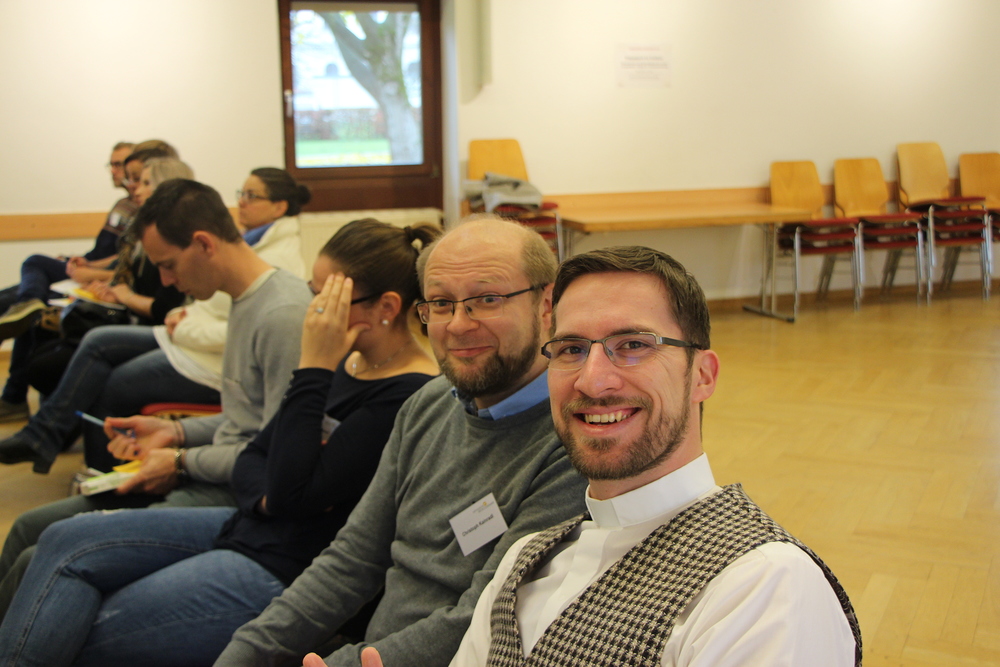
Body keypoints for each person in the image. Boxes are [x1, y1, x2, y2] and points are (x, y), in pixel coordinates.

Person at [0, 219, 442, 666]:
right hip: (248, 524)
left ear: (386, 307)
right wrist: (270, 497)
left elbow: (289, 492)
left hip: (284, 565)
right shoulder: (348, 364)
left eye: (327, 299)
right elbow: (256, 457)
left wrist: (312, 369)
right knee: (60, 540)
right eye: (314, 293)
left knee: (78, 630)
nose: (312, 312)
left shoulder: (403, 395)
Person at [392, 245, 857, 667]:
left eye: (633, 345)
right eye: (571, 349)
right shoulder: (524, 561)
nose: (593, 381)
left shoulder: (763, 586)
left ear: (703, 376)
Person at [213, 217, 589, 667]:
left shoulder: (575, 442)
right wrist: (247, 652)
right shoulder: (426, 406)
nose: (458, 325)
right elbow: (352, 561)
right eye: (441, 303)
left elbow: (484, 617)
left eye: (487, 300)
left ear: (546, 304)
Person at [0, 179, 312, 619]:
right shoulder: (245, 300)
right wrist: (174, 432)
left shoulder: (281, 315)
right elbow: (245, 422)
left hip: (234, 496)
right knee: (27, 528)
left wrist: (180, 460)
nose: (166, 281)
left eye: (167, 265)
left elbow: (275, 455)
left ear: (204, 244)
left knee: (42, 555)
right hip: (213, 475)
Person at [0, 141, 137, 421]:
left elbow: (126, 268)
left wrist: (91, 272)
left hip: (100, 287)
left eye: (120, 165)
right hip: (88, 272)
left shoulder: (144, 214)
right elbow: (108, 255)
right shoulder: (123, 205)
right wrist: (84, 261)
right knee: (16, 297)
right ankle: (28, 306)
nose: (114, 171)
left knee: (31, 274)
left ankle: (14, 396)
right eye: (111, 164)